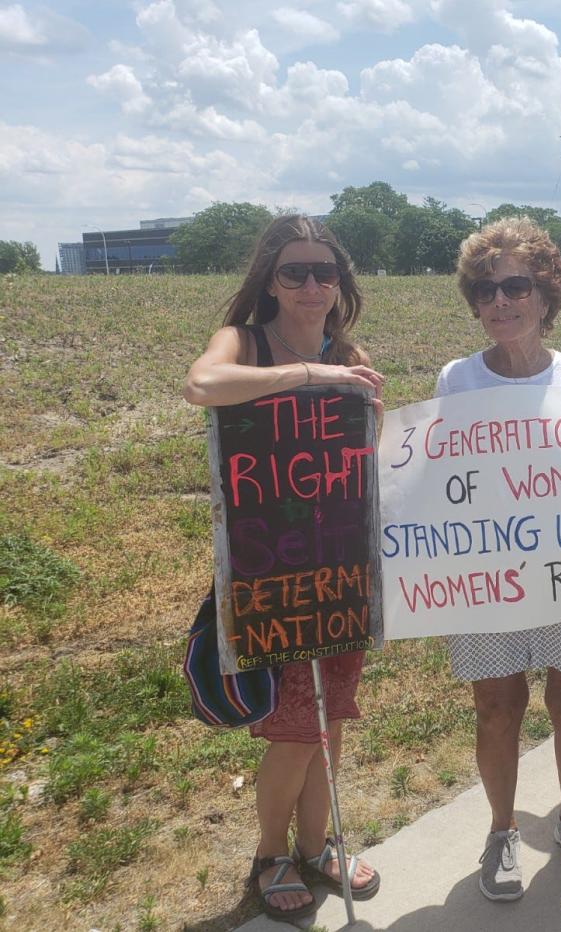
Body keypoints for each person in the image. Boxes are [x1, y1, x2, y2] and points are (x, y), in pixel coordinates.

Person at [183, 214, 384, 922]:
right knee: (296, 727)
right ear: (269, 279)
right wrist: (308, 374)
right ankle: (272, 856)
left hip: (339, 572)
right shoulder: (246, 342)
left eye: (323, 272)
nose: (310, 284)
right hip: (272, 570)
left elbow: (363, 463)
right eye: (294, 271)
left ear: (340, 283)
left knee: (328, 725)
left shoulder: (350, 350)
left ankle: (317, 845)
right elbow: (203, 384)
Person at [437, 217, 561, 902]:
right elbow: (439, 485)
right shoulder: (457, 380)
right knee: (496, 707)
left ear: (545, 294)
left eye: (516, 286)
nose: (501, 301)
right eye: (486, 290)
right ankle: (502, 830)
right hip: (488, 577)